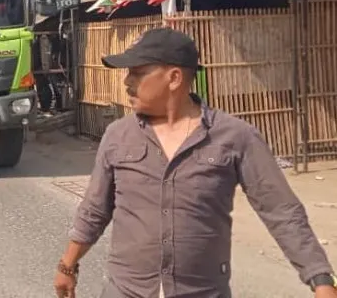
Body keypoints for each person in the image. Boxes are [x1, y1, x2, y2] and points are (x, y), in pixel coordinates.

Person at [53, 27, 336, 298]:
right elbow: (94, 210)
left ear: (174, 78)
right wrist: (68, 265)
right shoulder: (118, 136)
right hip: (126, 291)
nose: (127, 82)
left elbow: (281, 211)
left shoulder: (236, 137)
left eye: (137, 73)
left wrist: (320, 280)